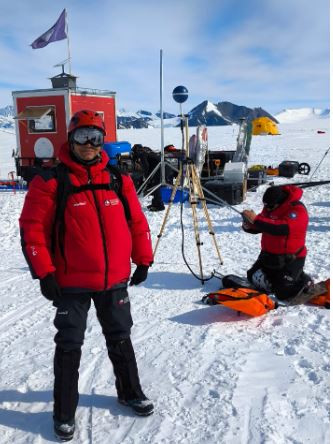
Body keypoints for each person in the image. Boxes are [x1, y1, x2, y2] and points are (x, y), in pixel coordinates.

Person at [19, 110, 154, 441]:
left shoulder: (118, 179)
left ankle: (130, 392)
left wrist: (143, 260)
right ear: (71, 139)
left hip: (114, 279)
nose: (90, 144)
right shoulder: (51, 181)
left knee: (120, 336)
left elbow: (136, 222)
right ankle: (64, 412)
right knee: (69, 344)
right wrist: (44, 273)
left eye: (96, 137)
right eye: (82, 137)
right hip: (71, 282)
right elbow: (32, 229)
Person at [241, 185, 314, 303]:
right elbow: (264, 225)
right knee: (252, 276)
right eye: (265, 205)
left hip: (290, 258)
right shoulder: (270, 206)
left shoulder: (297, 209)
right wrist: (249, 226)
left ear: (280, 201)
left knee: (283, 293)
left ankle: (303, 280)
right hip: (268, 255)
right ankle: (279, 279)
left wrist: (256, 219)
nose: (267, 208)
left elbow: (281, 228)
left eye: (269, 206)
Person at [131, 144, 166, 211]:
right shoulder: (146, 150)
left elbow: (146, 166)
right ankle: (155, 203)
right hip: (162, 166)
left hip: (159, 168)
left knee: (155, 186)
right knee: (155, 186)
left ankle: (159, 206)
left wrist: (147, 177)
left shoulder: (141, 154)